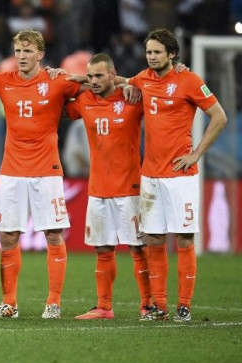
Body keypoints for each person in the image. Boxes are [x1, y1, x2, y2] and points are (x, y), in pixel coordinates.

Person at [118, 28, 227, 321]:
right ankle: (160, 306)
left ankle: (184, 305)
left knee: (184, 239)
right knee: (153, 239)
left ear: (172, 54)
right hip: (151, 174)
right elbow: (112, 80)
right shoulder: (143, 78)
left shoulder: (189, 80)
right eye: (149, 52)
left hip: (181, 175)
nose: (152, 57)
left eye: (157, 52)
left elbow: (219, 116)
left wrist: (196, 153)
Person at [0, 30, 82, 319]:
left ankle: (53, 303)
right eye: (18, 51)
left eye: (28, 51)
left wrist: (72, 75)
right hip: (12, 171)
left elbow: (97, 85)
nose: (22, 57)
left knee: (53, 234)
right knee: (8, 237)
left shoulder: (57, 81)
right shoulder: (3, 82)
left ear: (40, 54)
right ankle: (9, 304)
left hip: (46, 170)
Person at [63, 53, 153, 320]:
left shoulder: (131, 98)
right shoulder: (84, 101)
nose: (94, 81)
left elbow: (156, 88)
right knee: (103, 248)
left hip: (130, 187)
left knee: (138, 248)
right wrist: (78, 82)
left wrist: (132, 84)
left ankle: (148, 305)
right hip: (98, 188)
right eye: (90, 76)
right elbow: (58, 105)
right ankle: (104, 307)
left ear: (113, 74)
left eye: (99, 75)